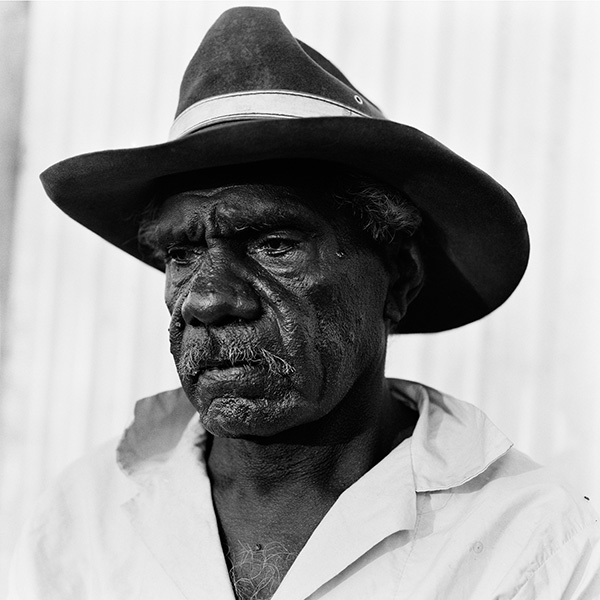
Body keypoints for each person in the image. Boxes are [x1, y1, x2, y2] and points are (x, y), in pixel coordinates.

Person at [9, 6, 600, 600]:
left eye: (273, 245)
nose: (209, 298)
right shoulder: (86, 516)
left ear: (398, 279)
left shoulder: (536, 541)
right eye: (182, 255)